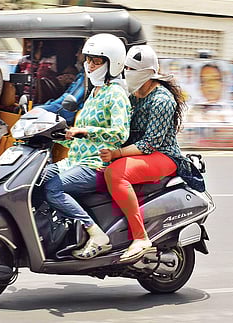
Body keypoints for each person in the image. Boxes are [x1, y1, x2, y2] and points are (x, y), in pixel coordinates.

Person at [40, 33, 131, 260]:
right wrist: (49, 135)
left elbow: (120, 134)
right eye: (88, 59)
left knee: (53, 187)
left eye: (96, 61)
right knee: (36, 179)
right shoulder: (94, 93)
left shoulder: (116, 95)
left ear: (113, 64)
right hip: (74, 161)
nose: (89, 65)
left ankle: (96, 234)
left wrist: (86, 131)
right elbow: (79, 136)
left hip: (96, 164)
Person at [98, 44, 189, 262]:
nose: (127, 74)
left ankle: (140, 237)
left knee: (116, 173)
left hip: (163, 155)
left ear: (148, 74)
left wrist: (117, 154)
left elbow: (150, 144)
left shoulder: (161, 100)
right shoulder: (134, 95)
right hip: (139, 153)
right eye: (126, 69)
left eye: (132, 70)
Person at [36, 43, 87, 125]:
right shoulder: (81, 74)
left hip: (68, 113)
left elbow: (72, 98)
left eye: (79, 52)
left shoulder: (85, 77)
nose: (76, 54)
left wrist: (46, 107)